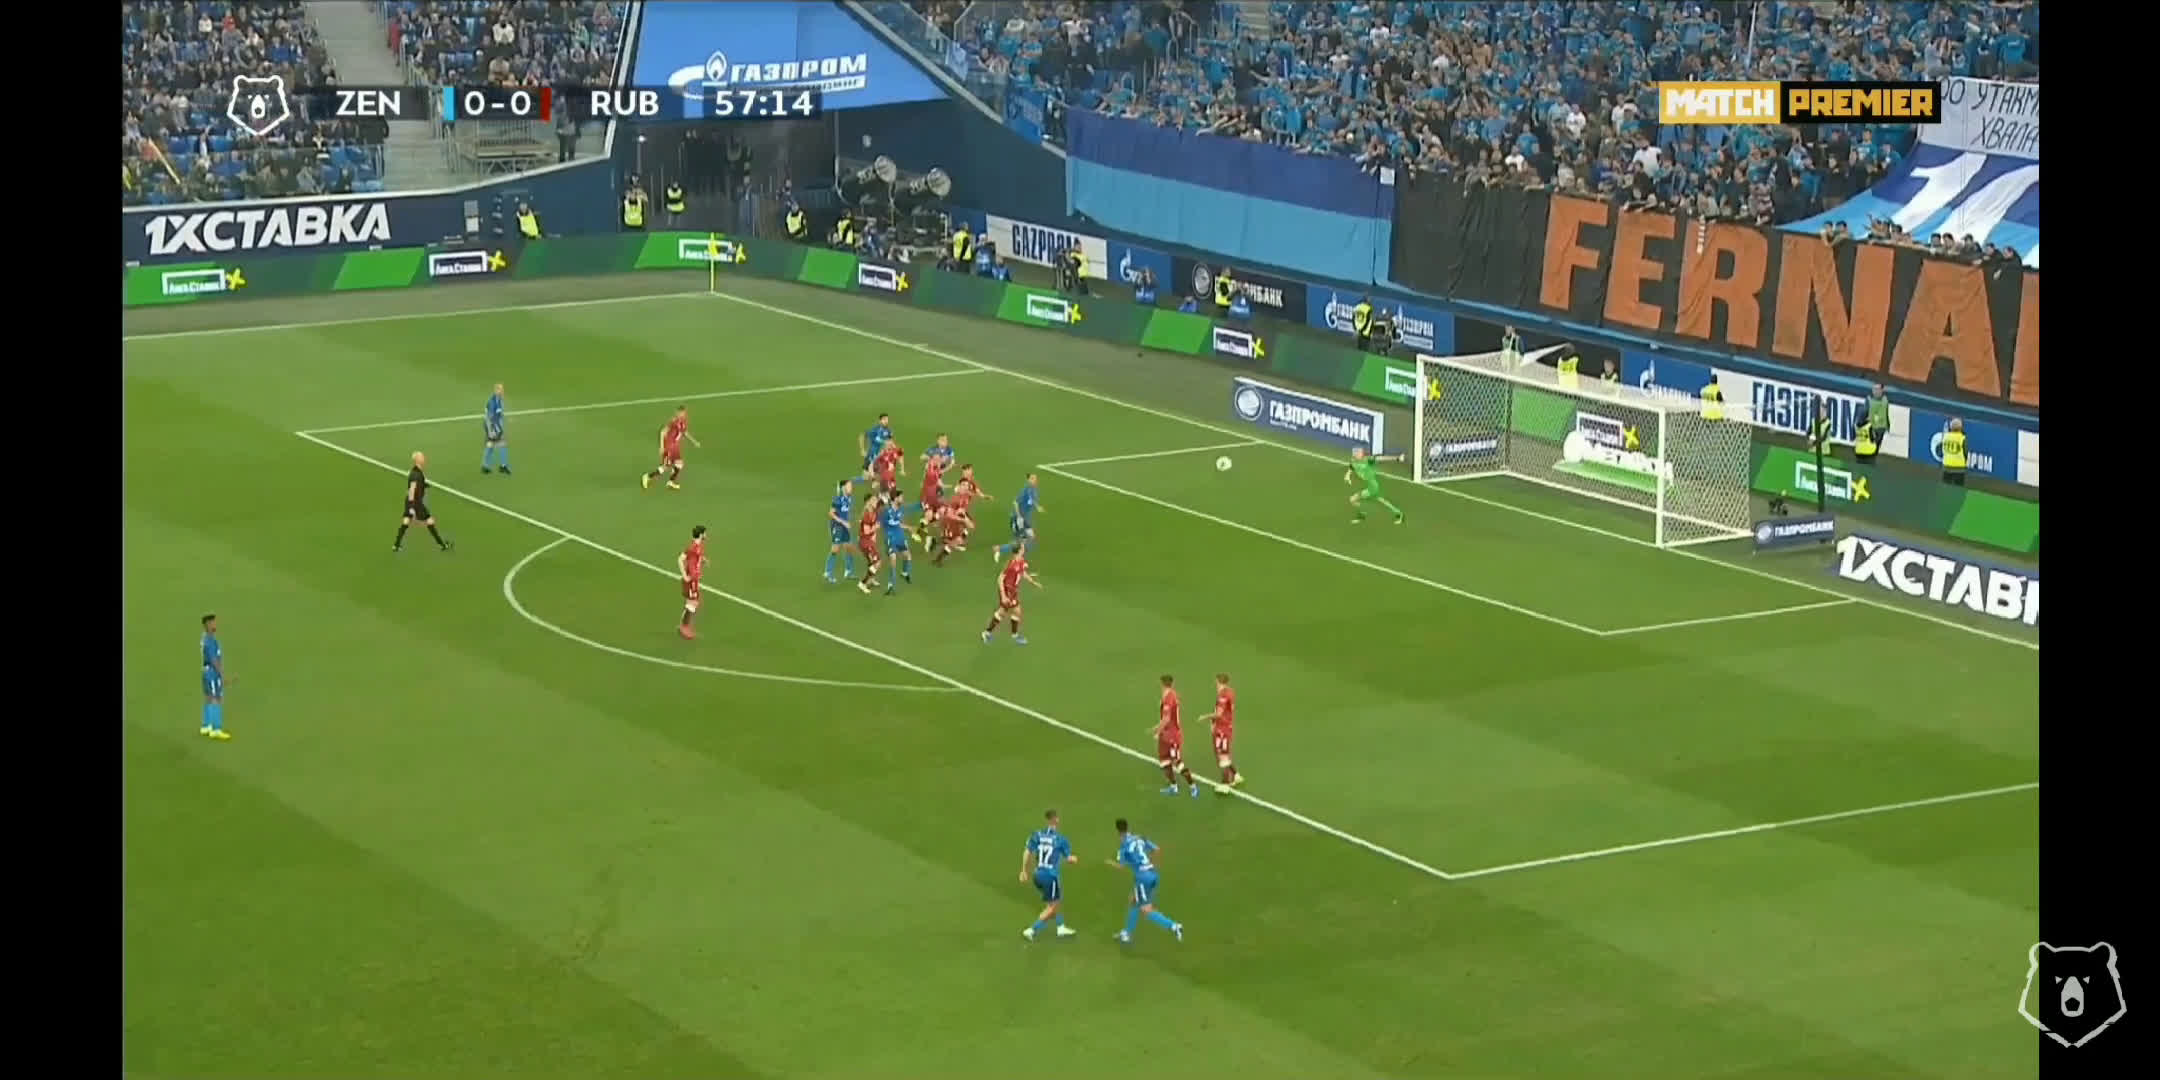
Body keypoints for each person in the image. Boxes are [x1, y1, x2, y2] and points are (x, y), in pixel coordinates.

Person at [1109, 818, 1184, 945]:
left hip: (1143, 879)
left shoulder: (1124, 846)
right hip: (1153, 874)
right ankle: (1127, 933)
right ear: (1128, 827)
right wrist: (1153, 866)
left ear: (1117, 831)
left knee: (1146, 909)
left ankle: (1174, 926)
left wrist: (1110, 863)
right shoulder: (1140, 838)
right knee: (1133, 901)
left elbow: (1120, 866)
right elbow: (1157, 849)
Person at [1019, 809, 1079, 941]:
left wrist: (1024, 871)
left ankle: (1061, 927)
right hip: (1050, 876)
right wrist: (1074, 859)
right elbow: (1069, 859)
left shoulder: (1037, 835)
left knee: (1054, 901)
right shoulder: (1061, 839)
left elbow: (1027, 852)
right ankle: (1032, 930)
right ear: (1056, 819)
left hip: (1037, 875)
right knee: (1052, 907)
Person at [395, 451, 454, 553]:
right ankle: (442, 545)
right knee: (430, 521)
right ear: (417, 460)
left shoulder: (416, 471)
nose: (424, 458)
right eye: (422, 457)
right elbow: (412, 490)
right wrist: (412, 507)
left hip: (410, 501)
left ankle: (396, 545)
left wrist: (424, 485)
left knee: (406, 520)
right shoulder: (416, 474)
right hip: (415, 502)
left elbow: (415, 486)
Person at [1154, 674, 1200, 797]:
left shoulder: (1169, 698)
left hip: (1172, 736)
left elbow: (1167, 718)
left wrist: (1158, 730)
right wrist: (1159, 729)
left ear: (1161, 684)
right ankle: (1173, 786)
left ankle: (1193, 786)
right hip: (1165, 735)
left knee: (1177, 762)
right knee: (1164, 761)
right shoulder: (1171, 695)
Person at [984, 546, 1038, 644]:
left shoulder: (1021, 561)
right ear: (1019, 551)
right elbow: (1000, 579)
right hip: (1007, 590)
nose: (1024, 549)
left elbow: (1023, 572)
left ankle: (991, 633)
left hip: (1013, 590)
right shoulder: (1011, 564)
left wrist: (1032, 582)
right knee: (1009, 611)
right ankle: (989, 633)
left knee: (1011, 611)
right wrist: (1003, 596)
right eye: (1022, 548)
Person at [642, 406, 698, 490]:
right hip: (669, 447)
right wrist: (661, 446)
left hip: (675, 448)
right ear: (677, 413)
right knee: (665, 467)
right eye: (680, 413)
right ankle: (647, 477)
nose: (682, 415)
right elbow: (663, 432)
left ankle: (671, 482)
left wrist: (694, 441)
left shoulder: (684, 422)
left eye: (683, 413)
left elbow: (684, 432)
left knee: (679, 464)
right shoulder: (673, 421)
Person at [1346, 446, 1406, 524]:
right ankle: (1399, 514)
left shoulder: (1367, 459)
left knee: (1353, 499)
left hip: (1372, 486)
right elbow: (1351, 467)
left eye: (1361, 453)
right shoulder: (1353, 461)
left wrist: (1397, 458)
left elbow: (1380, 458)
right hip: (1370, 485)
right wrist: (1347, 475)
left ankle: (1362, 514)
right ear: (1355, 455)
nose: (1361, 454)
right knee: (1381, 500)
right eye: (1359, 453)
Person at [873, 492, 914, 594]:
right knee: (893, 560)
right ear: (895, 498)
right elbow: (879, 523)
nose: (902, 499)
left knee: (908, 556)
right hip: (890, 539)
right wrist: (871, 531)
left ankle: (905, 573)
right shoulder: (886, 512)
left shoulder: (899, 510)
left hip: (900, 537)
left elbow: (897, 523)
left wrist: (908, 527)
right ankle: (891, 585)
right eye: (901, 497)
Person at [995, 473, 1041, 562]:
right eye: (1032, 478)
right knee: (1021, 541)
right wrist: (1019, 517)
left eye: (1035, 478)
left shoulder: (1034, 490)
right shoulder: (1025, 490)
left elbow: (1032, 500)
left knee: (1030, 538)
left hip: (1026, 519)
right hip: (1018, 519)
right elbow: (1015, 502)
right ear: (1028, 480)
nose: (1034, 480)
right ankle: (1000, 550)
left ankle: (1017, 556)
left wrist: (1037, 506)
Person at [199, 614, 230, 741]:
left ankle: (206, 726)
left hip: (206, 671)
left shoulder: (205, 638)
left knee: (209, 697)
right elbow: (214, 660)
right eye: (213, 622)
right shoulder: (210, 640)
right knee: (216, 698)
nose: (215, 624)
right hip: (212, 673)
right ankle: (216, 729)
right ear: (207, 625)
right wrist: (222, 675)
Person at [1209, 672, 1241, 792]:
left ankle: (1225, 784)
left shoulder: (1223, 695)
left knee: (1222, 755)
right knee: (1224, 754)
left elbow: (1218, 714)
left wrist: (1205, 717)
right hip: (1226, 727)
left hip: (1222, 729)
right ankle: (1236, 775)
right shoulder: (1230, 692)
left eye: (1216, 682)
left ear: (1219, 682)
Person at [676, 525, 708, 640]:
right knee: (692, 603)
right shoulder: (692, 547)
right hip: (691, 580)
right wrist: (685, 576)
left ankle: (684, 625)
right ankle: (684, 627)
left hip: (695, 579)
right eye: (705, 533)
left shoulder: (698, 546)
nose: (706, 535)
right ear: (701, 534)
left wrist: (703, 560)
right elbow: (680, 559)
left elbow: (697, 556)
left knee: (693, 602)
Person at [823, 479, 857, 584]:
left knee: (848, 547)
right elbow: (831, 514)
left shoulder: (849, 498)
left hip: (845, 526)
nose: (851, 488)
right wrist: (843, 522)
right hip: (837, 526)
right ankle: (828, 573)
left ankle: (848, 572)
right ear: (843, 488)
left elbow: (844, 512)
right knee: (835, 549)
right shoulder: (837, 499)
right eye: (849, 486)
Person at [855, 494, 884, 591]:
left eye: (876, 499)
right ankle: (863, 583)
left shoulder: (874, 511)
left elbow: (882, 503)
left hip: (869, 541)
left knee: (871, 563)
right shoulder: (866, 515)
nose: (876, 501)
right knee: (878, 562)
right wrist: (875, 528)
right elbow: (866, 531)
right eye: (874, 500)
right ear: (868, 502)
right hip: (865, 542)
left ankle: (871, 579)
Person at [481, 382, 510, 475]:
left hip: (494, 425)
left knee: (490, 445)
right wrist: (492, 431)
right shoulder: (493, 402)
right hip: (492, 426)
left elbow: (499, 413)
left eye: (502, 389)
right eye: (500, 389)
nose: (502, 391)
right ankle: (503, 466)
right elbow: (490, 417)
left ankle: (485, 466)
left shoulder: (498, 400)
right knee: (502, 444)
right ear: (496, 390)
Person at [858, 412, 894, 478]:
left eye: (887, 419)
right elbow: (862, 436)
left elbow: (890, 442)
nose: (886, 421)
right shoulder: (875, 429)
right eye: (884, 419)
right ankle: (849, 482)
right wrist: (862, 449)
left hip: (881, 457)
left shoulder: (889, 430)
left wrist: (891, 449)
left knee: (877, 477)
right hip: (872, 455)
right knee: (866, 477)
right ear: (880, 421)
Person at [1940, 418, 1968, 486]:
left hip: (1946, 466)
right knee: (1958, 488)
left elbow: (1942, 450)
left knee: (1946, 487)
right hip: (1959, 468)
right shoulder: (1962, 438)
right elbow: (1965, 452)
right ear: (1960, 428)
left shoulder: (1946, 436)